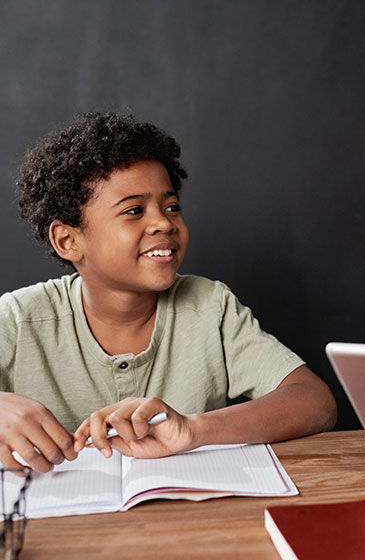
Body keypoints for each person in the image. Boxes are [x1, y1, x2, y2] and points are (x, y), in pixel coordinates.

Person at [0, 112, 337, 474]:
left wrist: (192, 430)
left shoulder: (210, 307)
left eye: (171, 206)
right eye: (133, 211)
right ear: (68, 240)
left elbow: (315, 402)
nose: (163, 222)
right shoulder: (18, 320)